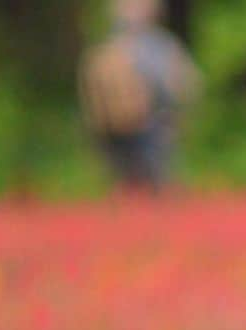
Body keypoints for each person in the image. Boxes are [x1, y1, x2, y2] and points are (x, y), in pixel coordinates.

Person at [79, 0, 201, 190]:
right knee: (124, 178)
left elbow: (187, 82)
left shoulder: (163, 45)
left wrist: (177, 111)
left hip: (155, 122)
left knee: (155, 176)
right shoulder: (108, 48)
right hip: (113, 126)